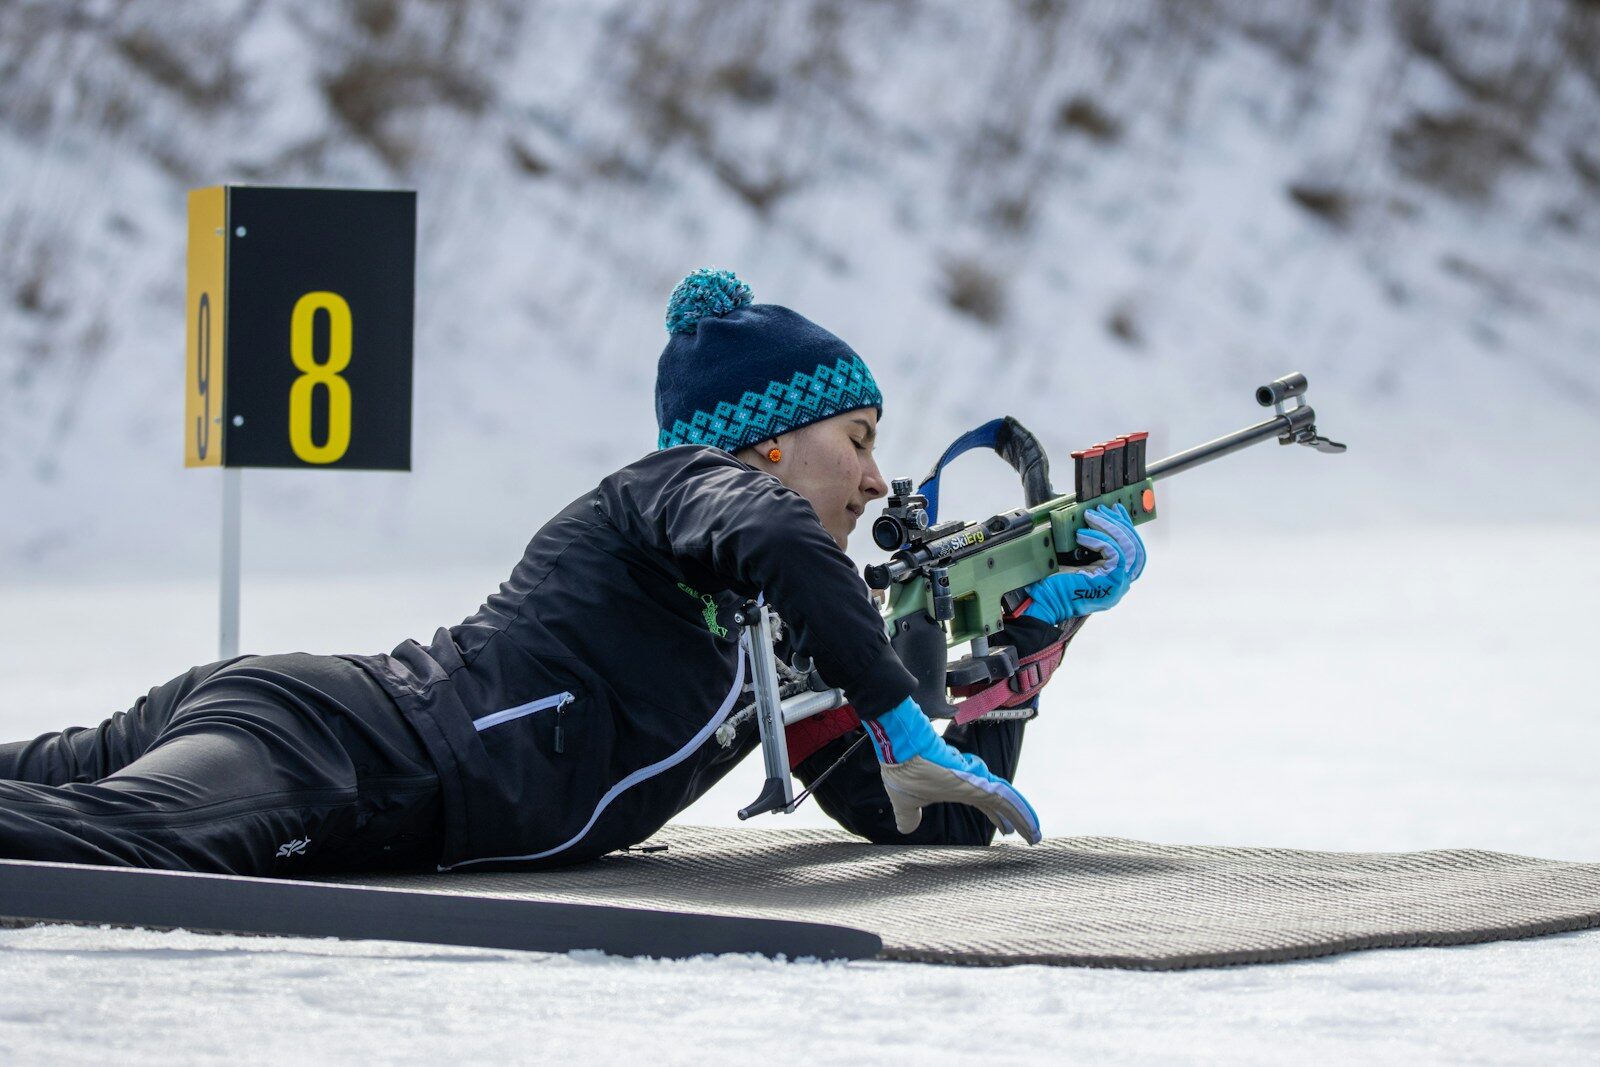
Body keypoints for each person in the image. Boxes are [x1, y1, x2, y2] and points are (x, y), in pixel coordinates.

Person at [0, 269, 1145, 876]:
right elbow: (776, 539)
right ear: (762, 445)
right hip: (336, 746)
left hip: (311, 726)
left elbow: (925, 823)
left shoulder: (780, 634)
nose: (876, 477)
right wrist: (900, 710)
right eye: (857, 438)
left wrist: (1032, 638)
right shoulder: (665, 490)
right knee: (108, 843)